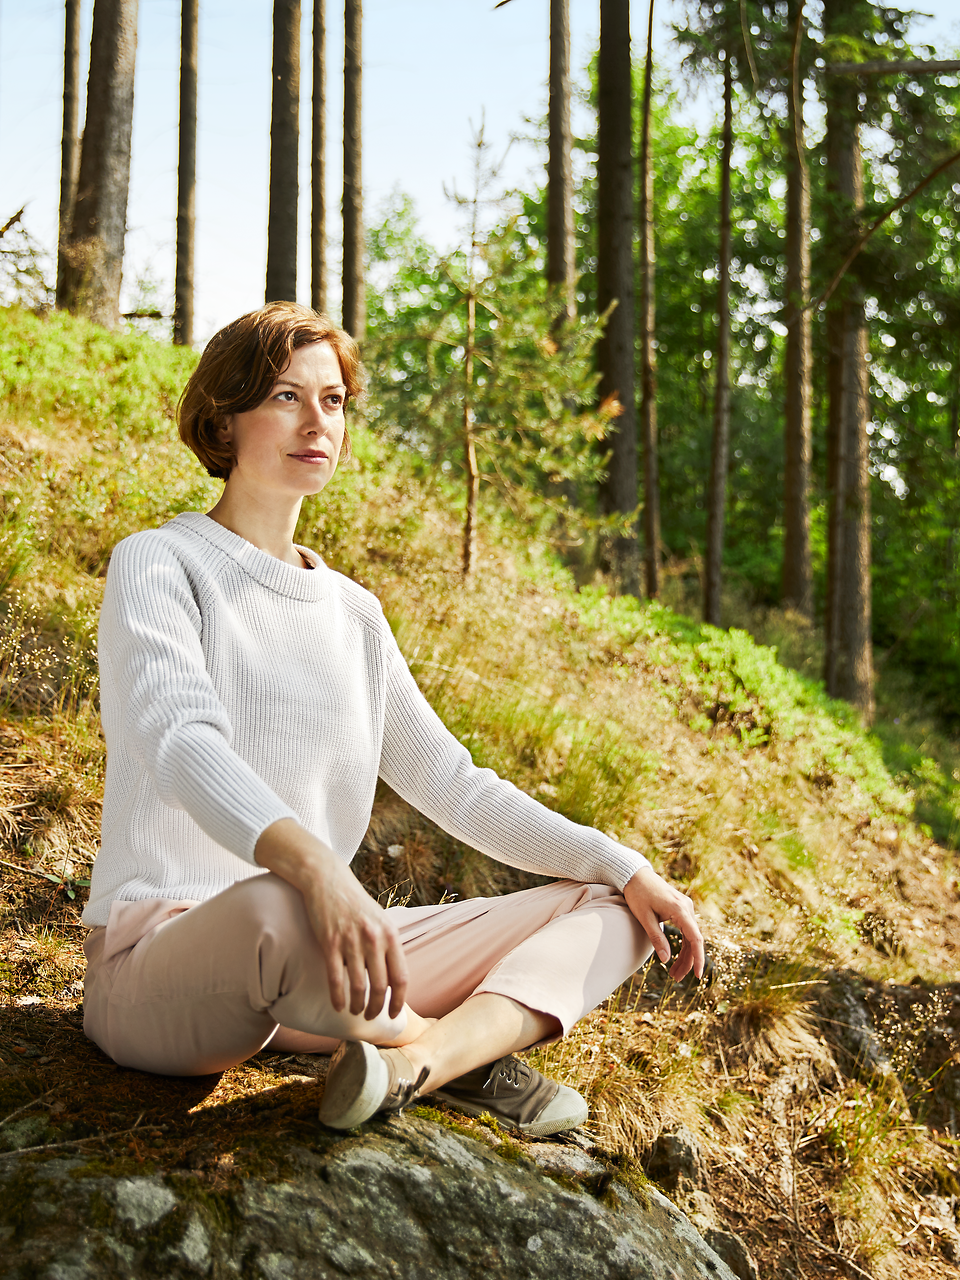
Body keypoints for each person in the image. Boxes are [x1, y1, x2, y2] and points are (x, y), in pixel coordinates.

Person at [80, 301, 705, 1137]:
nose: (317, 422)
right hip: (163, 965)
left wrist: (623, 864)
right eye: (285, 397)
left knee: (614, 906)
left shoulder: (354, 614)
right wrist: (317, 871)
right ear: (223, 419)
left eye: (333, 401)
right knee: (277, 909)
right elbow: (179, 739)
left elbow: (453, 784)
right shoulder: (160, 562)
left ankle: (418, 1063)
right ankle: (458, 1054)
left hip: (319, 964)